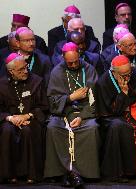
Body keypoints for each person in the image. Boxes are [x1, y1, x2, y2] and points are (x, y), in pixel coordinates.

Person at [44, 42, 101, 188]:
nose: (74, 65)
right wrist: (71, 98)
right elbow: (52, 101)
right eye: (70, 63)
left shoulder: (89, 69)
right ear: (63, 58)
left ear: (80, 56)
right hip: (62, 113)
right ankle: (64, 172)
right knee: (53, 128)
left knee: (91, 128)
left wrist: (82, 116)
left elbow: (94, 100)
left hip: (85, 113)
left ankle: (85, 172)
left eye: (76, 61)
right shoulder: (57, 72)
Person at [96, 55, 136, 184]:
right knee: (118, 126)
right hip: (113, 116)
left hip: (135, 111)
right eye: (123, 75)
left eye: (128, 73)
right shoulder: (104, 81)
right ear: (114, 72)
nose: (127, 77)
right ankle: (119, 173)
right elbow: (110, 110)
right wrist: (123, 93)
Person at [0, 53, 48, 183]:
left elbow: (44, 106)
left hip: (31, 118)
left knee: (28, 130)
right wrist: (10, 118)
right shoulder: (1, 85)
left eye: (26, 67)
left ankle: (31, 174)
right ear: (11, 71)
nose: (26, 71)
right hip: (9, 120)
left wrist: (28, 115)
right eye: (21, 70)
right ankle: (9, 174)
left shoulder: (36, 81)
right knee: (6, 130)